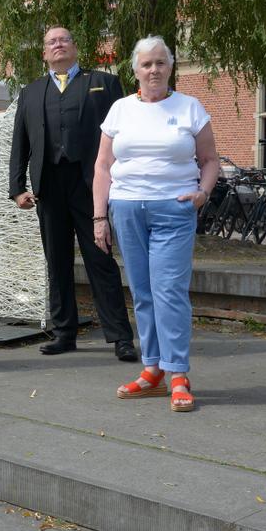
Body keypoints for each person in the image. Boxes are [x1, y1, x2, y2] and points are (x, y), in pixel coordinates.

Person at [93, 36, 220, 413]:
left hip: (173, 209)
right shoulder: (119, 110)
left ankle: (178, 372)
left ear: (170, 67)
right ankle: (152, 371)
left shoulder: (189, 108)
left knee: (169, 291)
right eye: (146, 64)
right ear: (134, 69)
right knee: (143, 292)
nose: (153, 70)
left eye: (160, 63)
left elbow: (210, 159)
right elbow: (102, 166)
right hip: (127, 209)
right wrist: (100, 216)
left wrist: (202, 193)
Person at [8, 26, 137, 360]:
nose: (58, 44)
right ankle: (64, 332)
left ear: (75, 47)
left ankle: (120, 336)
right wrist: (17, 188)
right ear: (44, 53)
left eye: (64, 39)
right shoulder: (31, 92)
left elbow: (124, 135)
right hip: (49, 187)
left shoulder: (104, 84)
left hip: (90, 185)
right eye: (51, 41)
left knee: (100, 259)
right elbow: (20, 142)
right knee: (57, 261)